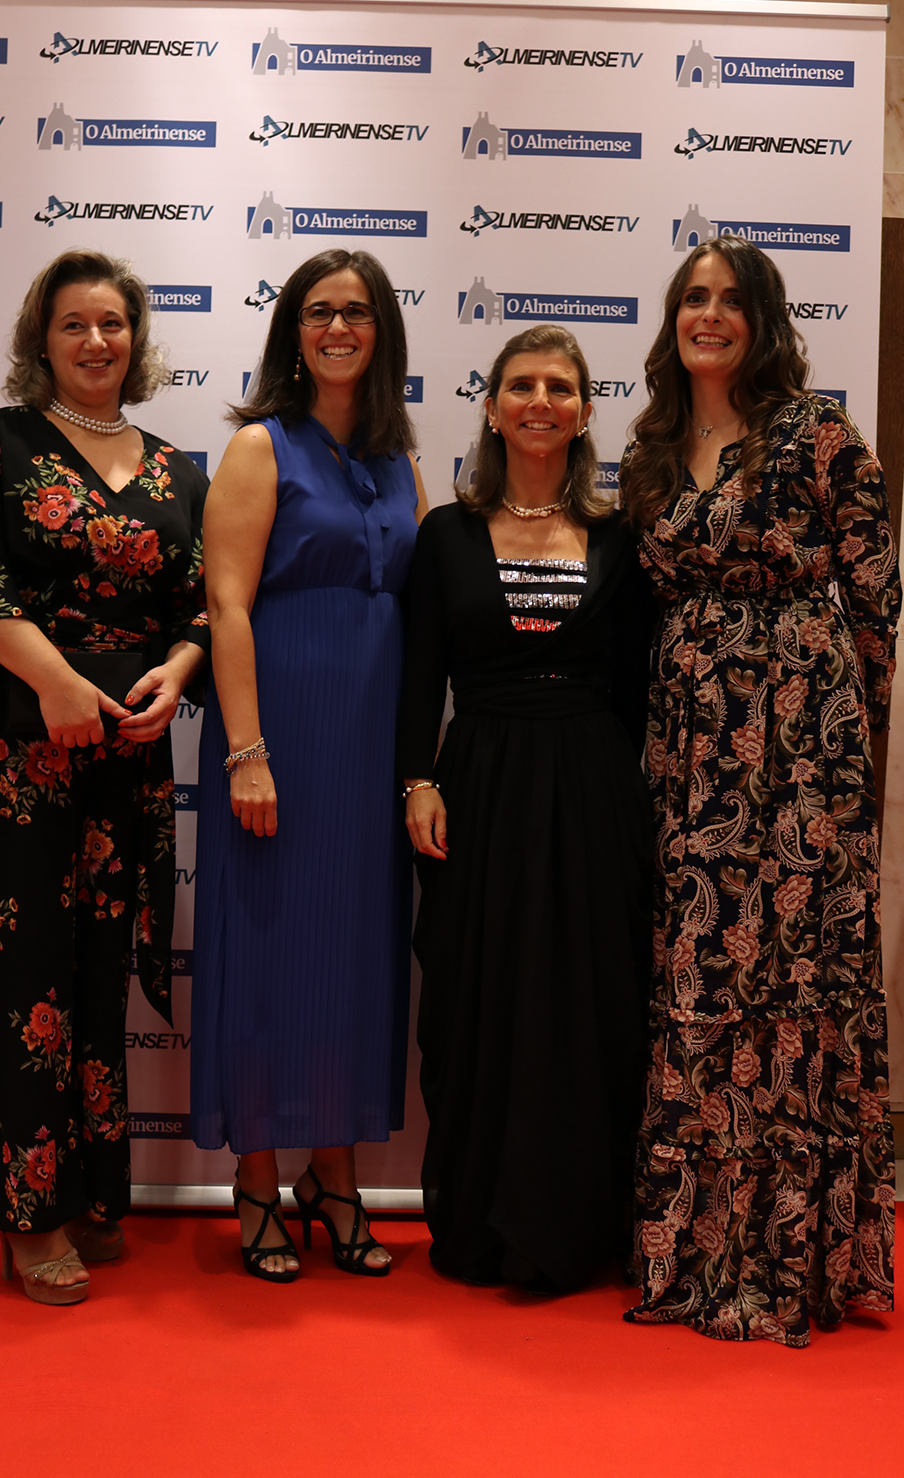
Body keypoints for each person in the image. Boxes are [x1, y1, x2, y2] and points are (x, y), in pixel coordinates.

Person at [620, 236, 899, 1345]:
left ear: (765, 319)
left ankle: (788, 1258)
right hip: (690, 756)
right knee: (699, 975)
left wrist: (856, 769)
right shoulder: (650, 449)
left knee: (791, 981)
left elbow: (875, 604)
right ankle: (696, 1251)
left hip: (801, 751)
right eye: (693, 297)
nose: (710, 315)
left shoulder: (819, 433)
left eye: (732, 300)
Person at [0, 250, 209, 1304]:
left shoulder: (178, 471)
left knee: (93, 968)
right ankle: (28, 1214)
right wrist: (57, 684)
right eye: (74, 324)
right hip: (9, 747)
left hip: (123, 751)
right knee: (17, 973)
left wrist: (177, 674)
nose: (96, 341)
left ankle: (87, 1188)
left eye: (113, 324)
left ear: (137, 340)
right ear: (41, 341)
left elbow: (201, 603)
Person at [398, 324, 654, 1293]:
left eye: (559, 386)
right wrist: (416, 782)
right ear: (493, 407)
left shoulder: (621, 538)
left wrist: (627, 796)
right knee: (477, 997)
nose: (539, 400)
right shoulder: (445, 535)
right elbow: (420, 676)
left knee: (587, 1002)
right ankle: (480, 1223)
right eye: (521, 385)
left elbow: (636, 690)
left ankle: (572, 1228)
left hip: (590, 788)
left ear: (585, 412)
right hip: (479, 785)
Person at [190, 248, 427, 1281]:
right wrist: (247, 752)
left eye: (357, 311)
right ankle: (256, 1181)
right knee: (267, 951)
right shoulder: (261, 447)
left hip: (368, 747)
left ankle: (335, 1180)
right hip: (278, 734)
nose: (338, 327)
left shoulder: (400, 459)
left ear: (382, 332)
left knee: (353, 956)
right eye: (319, 311)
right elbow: (227, 604)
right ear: (294, 330)